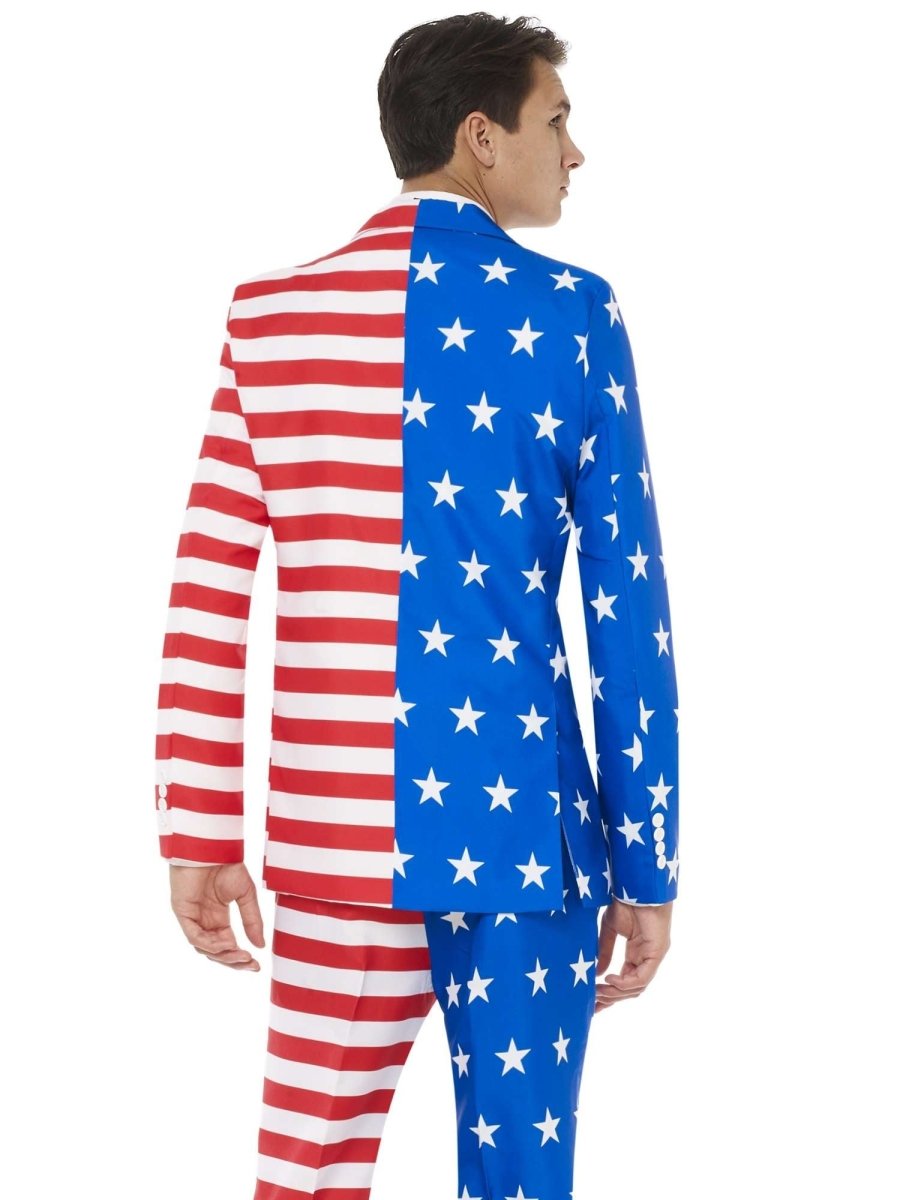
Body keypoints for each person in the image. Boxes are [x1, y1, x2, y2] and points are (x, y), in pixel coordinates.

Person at [153, 13, 680, 1200]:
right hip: (522, 839)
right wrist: (648, 859)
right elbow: (628, 612)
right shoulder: (574, 314)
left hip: (332, 835)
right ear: (481, 136)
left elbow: (207, 590)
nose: (576, 153)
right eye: (557, 121)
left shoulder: (268, 318)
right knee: (519, 1183)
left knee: (306, 1174)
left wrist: (200, 833)